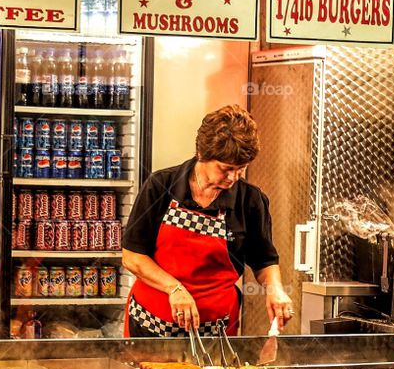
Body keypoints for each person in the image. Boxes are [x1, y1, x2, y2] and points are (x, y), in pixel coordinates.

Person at [121, 104, 294, 337]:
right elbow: (132, 257)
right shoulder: (161, 185)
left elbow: (264, 260)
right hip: (150, 324)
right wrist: (174, 288)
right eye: (226, 169)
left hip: (216, 329)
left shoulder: (250, 200)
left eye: (241, 169)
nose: (234, 177)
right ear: (202, 155)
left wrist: (275, 289)